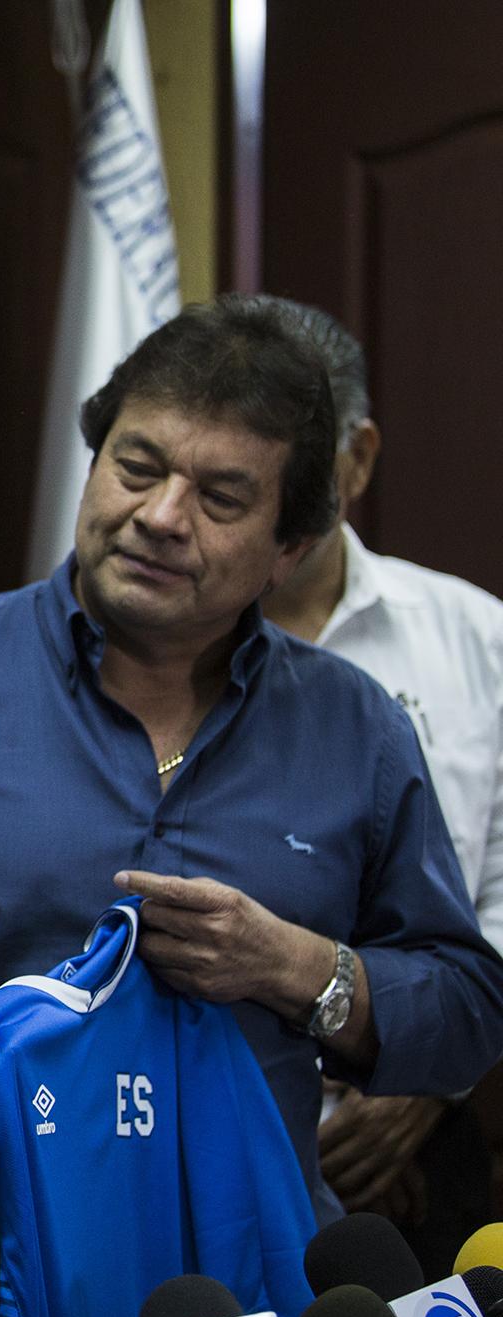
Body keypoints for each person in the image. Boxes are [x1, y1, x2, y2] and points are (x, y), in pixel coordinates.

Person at [0, 294, 503, 1317]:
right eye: (135, 467)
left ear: (290, 545)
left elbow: (462, 1013)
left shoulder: (354, 730)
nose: (158, 517)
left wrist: (295, 967)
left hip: (245, 1292)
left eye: (220, 497)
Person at [260, 298, 503, 1265]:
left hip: (424, 1141)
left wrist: (420, 1071)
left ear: (354, 459)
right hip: (193, 1129)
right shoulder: (153, 646)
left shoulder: (476, 640)